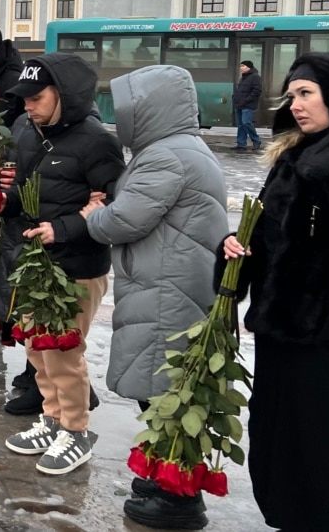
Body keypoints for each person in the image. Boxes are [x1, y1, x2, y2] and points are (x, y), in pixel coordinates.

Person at [219, 53, 329, 532]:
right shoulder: (296, 155)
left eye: (306, 93)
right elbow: (268, 230)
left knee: (315, 447)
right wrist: (235, 249)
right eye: (292, 95)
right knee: (275, 438)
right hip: (281, 323)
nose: (296, 105)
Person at [81, 65, 227, 529]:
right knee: (165, 387)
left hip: (168, 288)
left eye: (127, 108)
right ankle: (163, 478)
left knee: (166, 390)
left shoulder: (168, 157)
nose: (120, 118)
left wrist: (93, 214)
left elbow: (123, 221)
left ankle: (177, 499)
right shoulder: (179, 149)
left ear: (150, 108)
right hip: (168, 280)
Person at [0, 53, 125, 476]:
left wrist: (62, 229)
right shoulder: (29, 131)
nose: (28, 105)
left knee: (64, 352)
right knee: (37, 349)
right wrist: (2, 203)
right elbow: (26, 192)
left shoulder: (97, 140)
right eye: (24, 98)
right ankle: (52, 420)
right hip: (34, 260)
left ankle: (76, 431)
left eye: (37, 97)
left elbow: (115, 204)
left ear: (64, 95)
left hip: (76, 264)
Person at [235, 60, 263, 150]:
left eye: (243, 66)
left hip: (248, 105)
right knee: (241, 125)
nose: (241, 68)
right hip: (239, 104)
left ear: (248, 67)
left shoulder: (255, 77)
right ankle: (241, 144)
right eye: (240, 66)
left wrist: (247, 100)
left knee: (246, 122)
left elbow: (257, 91)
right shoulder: (244, 77)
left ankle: (256, 141)